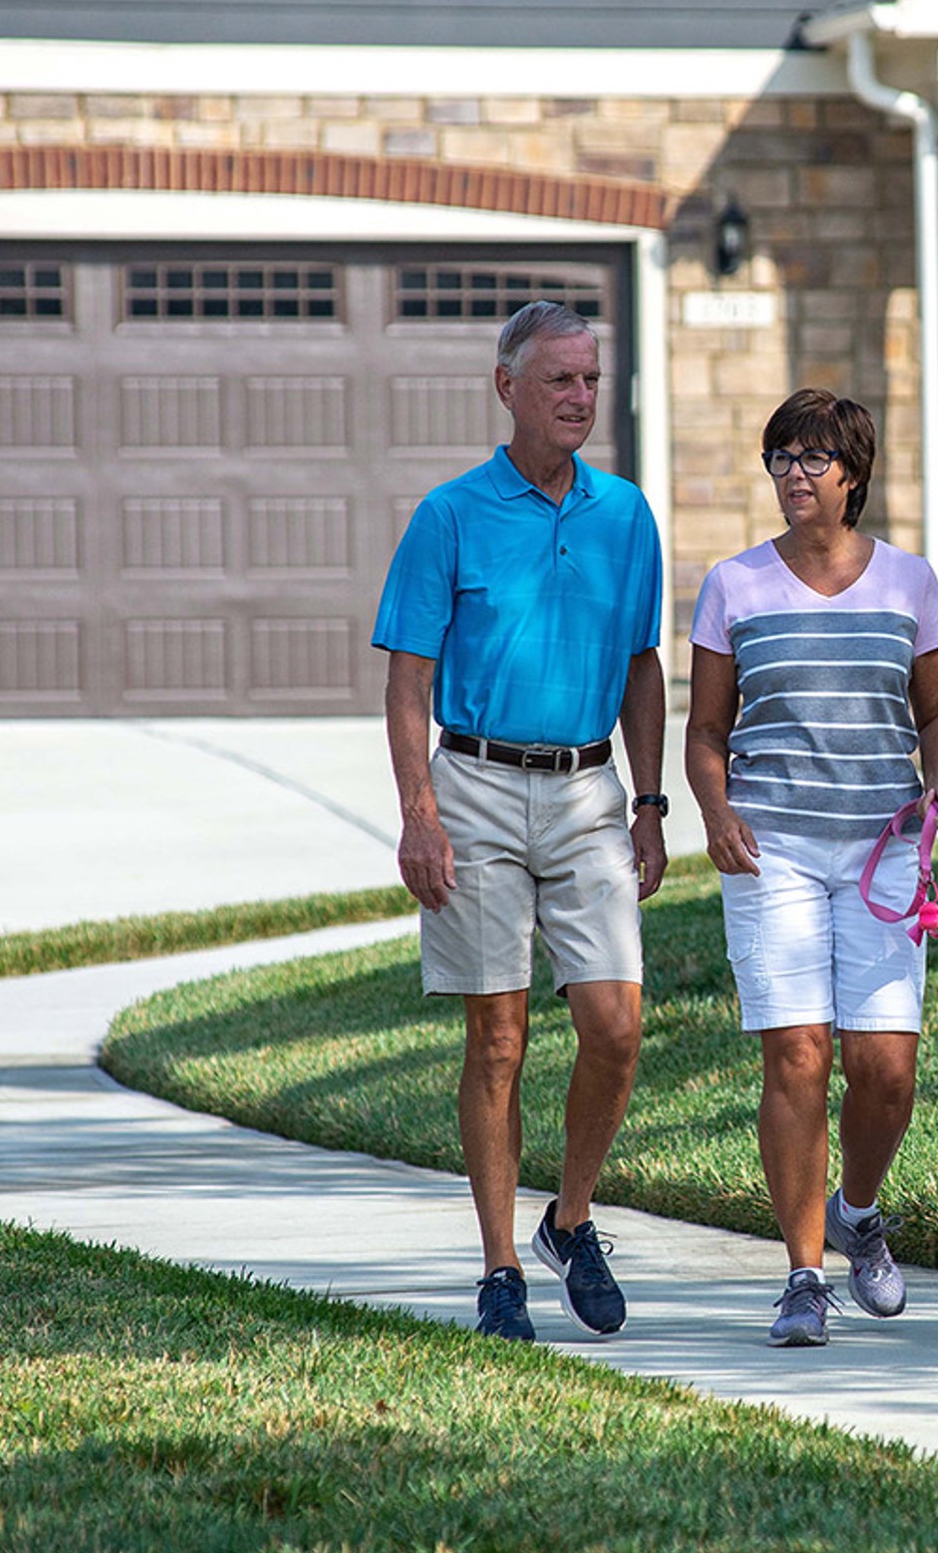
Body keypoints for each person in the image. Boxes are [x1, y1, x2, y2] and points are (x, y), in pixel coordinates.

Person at [372, 300, 668, 1344]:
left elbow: (642, 664)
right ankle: (501, 1268)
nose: (582, 398)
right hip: (479, 788)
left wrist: (649, 800)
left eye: (592, 379)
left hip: (590, 787)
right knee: (497, 1039)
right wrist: (420, 813)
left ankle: (570, 1218)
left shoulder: (626, 515)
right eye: (561, 381)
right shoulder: (449, 515)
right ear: (509, 388)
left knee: (616, 1027)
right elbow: (408, 683)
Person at [683, 388, 938, 1348]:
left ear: (853, 476)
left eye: (812, 460)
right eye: (780, 460)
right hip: (776, 849)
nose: (793, 476)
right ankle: (805, 1275)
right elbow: (708, 729)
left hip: (885, 847)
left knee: (885, 1069)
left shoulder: (910, 582)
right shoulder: (732, 584)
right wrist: (715, 813)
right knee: (796, 1055)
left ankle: (856, 1210)